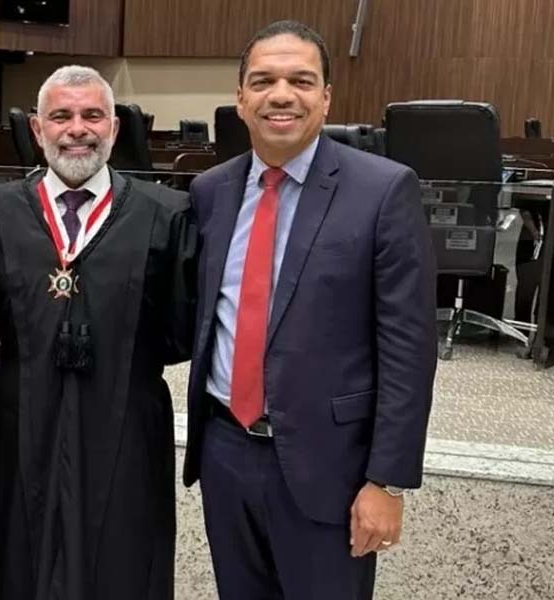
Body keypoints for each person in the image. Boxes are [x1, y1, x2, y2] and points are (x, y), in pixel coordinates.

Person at [184, 21, 437, 599]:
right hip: (225, 451)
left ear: (326, 97)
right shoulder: (210, 192)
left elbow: (409, 349)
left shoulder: (384, 190)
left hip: (332, 465)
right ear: (241, 99)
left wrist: (387, 481)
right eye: (263, 81)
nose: (281, 95)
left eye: (300, 81)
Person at [0, 65, 197, 599]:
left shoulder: (168, 215)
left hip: (126, 418)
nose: (77, 129)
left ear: (114, 128)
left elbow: (181, 329)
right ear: (37, 128)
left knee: (124, 555)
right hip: (23, 418)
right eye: (61, 116)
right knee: (18, 554)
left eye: (93, 115)